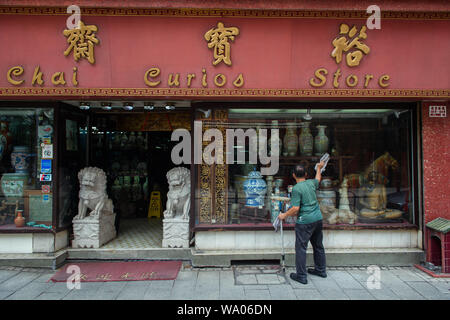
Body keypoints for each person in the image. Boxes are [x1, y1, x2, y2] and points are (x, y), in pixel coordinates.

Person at [278, 161, 327, 284]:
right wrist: (319, 169)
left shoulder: (296, 188)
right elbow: (318, 179)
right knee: (318, 245)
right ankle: (321, 270)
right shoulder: (311, 183)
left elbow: (295, 208)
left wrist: (283, 215)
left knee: (301, 248)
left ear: (293, 175)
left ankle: (301, 276)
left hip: (305, 221)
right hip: (317, 219)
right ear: (305, 174)